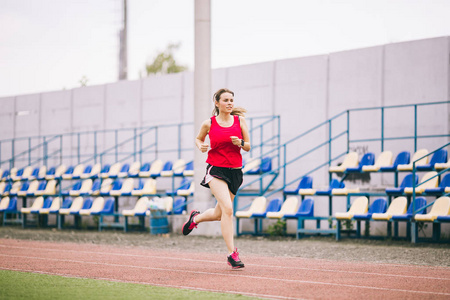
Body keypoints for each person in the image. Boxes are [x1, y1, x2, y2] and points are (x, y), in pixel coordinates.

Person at [182, 88, 250, 269]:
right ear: (217, 103)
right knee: (228, 209)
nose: (229, 103)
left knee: (219, 214)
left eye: (231, 100)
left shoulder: (240, 121)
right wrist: (201, 145)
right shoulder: (209, 123)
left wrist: (241, 143)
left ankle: (195, 219)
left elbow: (248, 146)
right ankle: (232, 254)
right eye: (226, 100)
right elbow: (198, 139)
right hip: (216, 170)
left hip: (235, 172)